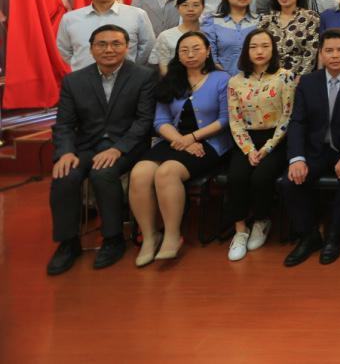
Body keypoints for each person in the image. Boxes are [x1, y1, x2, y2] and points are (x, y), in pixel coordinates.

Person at [46, 25, 155, 276]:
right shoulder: (74, 81)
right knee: (65, 175)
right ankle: (68, 243)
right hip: (86, 146)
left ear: (127, 47)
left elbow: (144, 121)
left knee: (103, 173)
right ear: (91, 49)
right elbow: (64, 124)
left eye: (116, 44)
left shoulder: (143, 77)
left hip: (126, 146)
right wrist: (65, 152)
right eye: (102, 44)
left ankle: (113, 238)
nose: (109, 49)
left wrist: (118, 149)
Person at [129, 31, 230, 266]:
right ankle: (150, 236)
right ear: (178, 54)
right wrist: (181, 140)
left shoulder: (222, 79)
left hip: (210, 143)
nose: (190, 54)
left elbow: (225, 120)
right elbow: (160, 121)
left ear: (208, 51)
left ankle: (172, 235)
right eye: (184, 50)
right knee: (139, 173)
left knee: (167, 172)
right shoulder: (171, 80)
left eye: (196, 49)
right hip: (174, 140)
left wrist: (192, 138)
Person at [283, 29, 340, 266]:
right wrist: (297, 158)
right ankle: (309, 235)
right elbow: (298, 121)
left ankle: (334, 236)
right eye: (329, 50)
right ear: (321, 54)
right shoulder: (308, 82)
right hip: (316, 149)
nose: (335, 55)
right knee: (290, 181)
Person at [225, 30, 296, 262]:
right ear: (246, 51)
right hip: (246, 140)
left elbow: (287, 116)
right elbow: (235, 120)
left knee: (261, 178)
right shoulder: (235, 82)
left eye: (265, 46)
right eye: (254, 46)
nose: (259, 51)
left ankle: (261, 220)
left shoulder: (285, 77)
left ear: (273, 49)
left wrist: (267, 148)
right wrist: (249, 150)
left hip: (276, 139)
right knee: (236, 177)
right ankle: (240, 230)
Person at [57, 0, 154, 69]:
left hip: (127, 77)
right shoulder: (70, 18)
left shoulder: (137, 15)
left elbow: (147, 47)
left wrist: (130, 68)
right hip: (84, 77)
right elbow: (65, 50)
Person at [258, 0, 320, 76]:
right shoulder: (266, 20)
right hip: (269, 77)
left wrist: (300, 78)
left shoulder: (310, 17)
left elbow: (311, 53)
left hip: (298, 77)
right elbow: (260, 51)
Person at [202, 0, 259, 76]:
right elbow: (209, 50)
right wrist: (217, 67)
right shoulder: (212, 21)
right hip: (222, 76)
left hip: (254, 77)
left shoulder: (260, 21)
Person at [149, 0, 205, 75]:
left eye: (196, 5)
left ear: (203, 7)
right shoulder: (166, 36)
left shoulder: (211, 34)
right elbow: (163, 67)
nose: (190, 9)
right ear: (178, 8)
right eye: (185, 5)